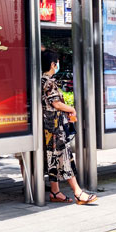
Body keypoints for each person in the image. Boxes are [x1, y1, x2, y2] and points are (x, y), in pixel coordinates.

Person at [41, 49, 97, 205]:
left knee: (53, 159)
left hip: (48, 128)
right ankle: (78, 192)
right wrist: (71, 109)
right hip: (55, 128)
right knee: (65, 157)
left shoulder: (41, 80)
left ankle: (55, 191)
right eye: (57, 62)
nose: (58, 65)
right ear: (53, 64)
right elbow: (56, 103)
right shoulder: (49, 82)